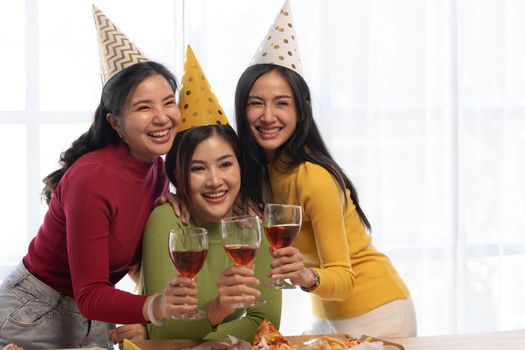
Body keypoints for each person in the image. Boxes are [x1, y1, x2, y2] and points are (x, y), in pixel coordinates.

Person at [0, 8, 188, 349]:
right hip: (35, 313)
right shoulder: (92, 178)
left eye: (168, 103)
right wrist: (154, 307)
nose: (162, 117)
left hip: (92, 315)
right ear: (115, 122)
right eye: (143, 107)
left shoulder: (157, 171)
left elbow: (121, 259)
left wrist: (165, 212)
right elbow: (89, 295)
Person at [232, 0, 417, 338]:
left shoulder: (312, 177)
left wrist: (305, 276)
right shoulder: (258, 171)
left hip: (377, 311)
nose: (268, 116)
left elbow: (344, 280)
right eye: (255, 103)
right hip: (330, 313)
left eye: (281, 103)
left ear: (301, 112)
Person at [109, 46, 281, 346]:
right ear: (178, 175)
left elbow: (265, 323)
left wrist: (190, 341)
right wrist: (218, 311)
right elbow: (166, 330)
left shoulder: (254, 225)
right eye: (198, 168)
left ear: (241, 166)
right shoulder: (168, 220)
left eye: (226, 164)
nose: (215, 181)